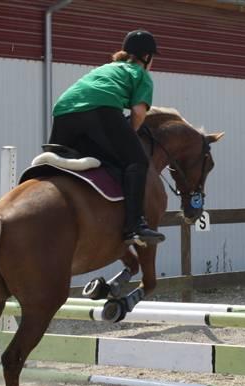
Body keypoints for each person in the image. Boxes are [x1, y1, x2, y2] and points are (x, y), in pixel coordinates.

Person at [49, 29, 165, 247]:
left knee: (63, 161)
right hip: (99, 111)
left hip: (63, 112)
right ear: (146, 56)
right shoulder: (141, 75)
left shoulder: (106, 68)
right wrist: (130, 134)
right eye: (152, 58)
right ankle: (135, 226)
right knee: (137, 161)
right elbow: (139, 113)